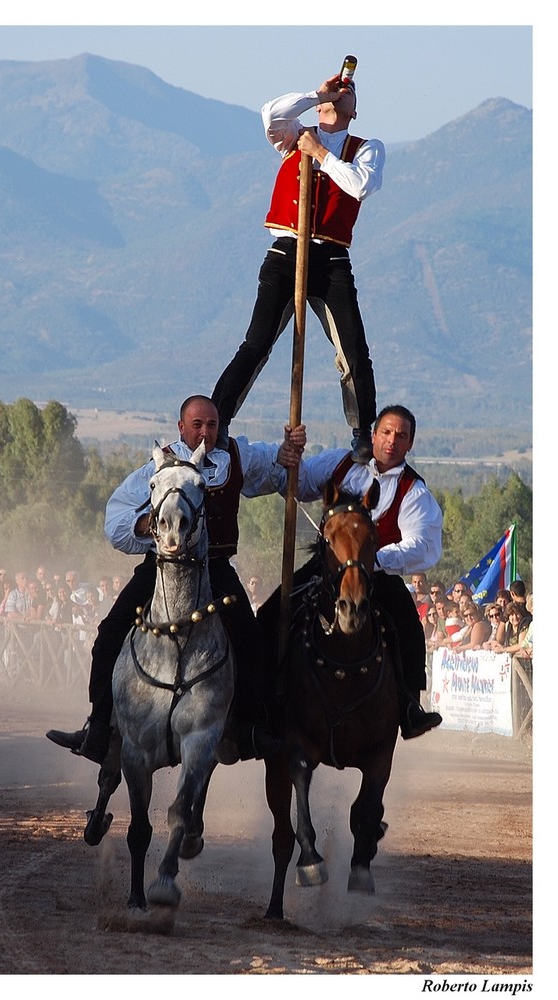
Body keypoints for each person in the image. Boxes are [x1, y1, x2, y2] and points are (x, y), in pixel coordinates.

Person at [47, 395, 306, 765]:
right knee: (109, 635)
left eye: (212, 425)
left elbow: (274, 466)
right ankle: (99, 727)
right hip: (160, 567)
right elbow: (116, 519)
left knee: (250, 639)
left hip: (215, 568)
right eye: (197, 425)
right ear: (181, 427)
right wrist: (148, 524)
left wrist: (289, 449)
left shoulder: (236, 455)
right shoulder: (156, 467)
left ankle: (248, 727)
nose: (205, 432)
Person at [210, 68, 384, 463]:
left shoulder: (366, 148)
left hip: (331, 258)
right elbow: (270, 114)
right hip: (286, 253)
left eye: (349, 91)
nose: (342, 94)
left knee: (353, 348)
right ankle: (218, 422)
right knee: (256, 343)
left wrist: (321, 155)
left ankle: (362, 432)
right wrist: (314, 93)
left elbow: (360, 185)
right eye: (336, 90)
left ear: (355, 110)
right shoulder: (293, 134)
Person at [278, 403, 443, 739]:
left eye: (401, 435)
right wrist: (291, 456)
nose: (392, 441)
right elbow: (300, 484)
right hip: (324, 570)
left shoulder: (414, 492)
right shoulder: (341, 462)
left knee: (409, 626)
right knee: (274, 611)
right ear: (373, 434)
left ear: (410, 444)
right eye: (386, 432)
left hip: (376, 576)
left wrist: (374, 560)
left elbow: (424, 547)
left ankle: (410, 706)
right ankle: (261, 702)